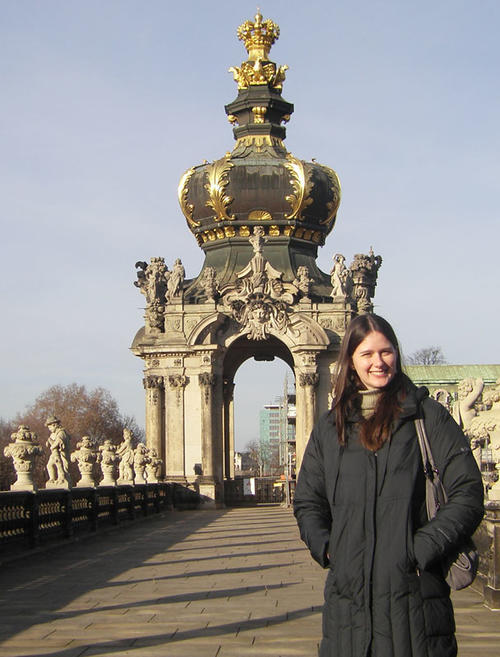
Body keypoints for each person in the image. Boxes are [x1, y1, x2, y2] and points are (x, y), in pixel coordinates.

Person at [293, 314, 483, 657]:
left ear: (397, 353)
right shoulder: (329, 427)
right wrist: (328, 547)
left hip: (415, 601)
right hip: (348, 608)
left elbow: (468, 492)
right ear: (350, 361)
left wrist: (420, 549)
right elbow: (308, 501)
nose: (378, 362)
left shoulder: (428, 415)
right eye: (367, 354)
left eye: (386, 352)